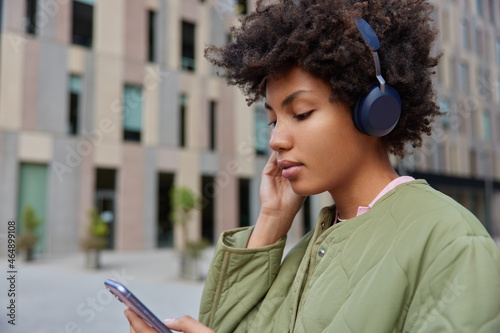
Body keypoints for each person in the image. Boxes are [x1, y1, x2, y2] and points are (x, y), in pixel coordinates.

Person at [127, 0, 500, 332]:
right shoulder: (305, 250)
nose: (275, 140)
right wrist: (271, 220)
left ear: (374, 110)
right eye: (273, 120)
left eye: (301, 113)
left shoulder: (452, 244)